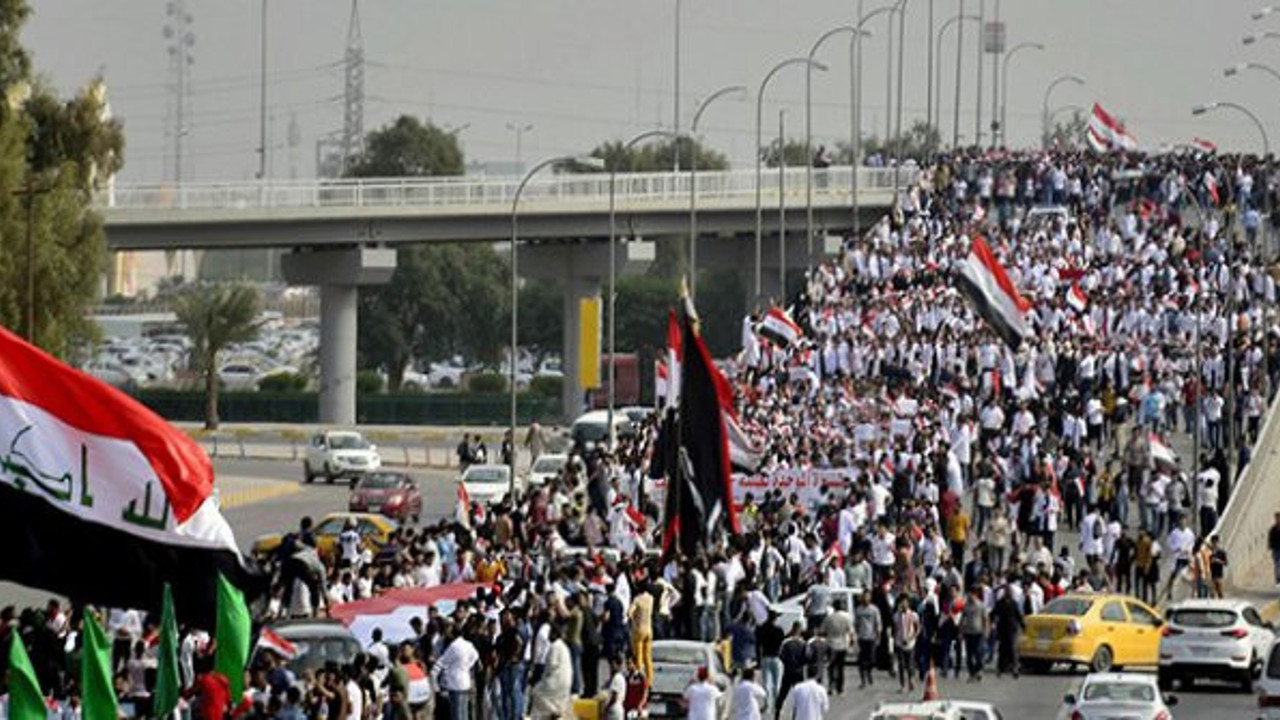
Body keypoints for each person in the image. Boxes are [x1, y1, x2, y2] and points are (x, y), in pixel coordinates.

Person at [432, 627, 479, 720]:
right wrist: (467, 666)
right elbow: (475, 656)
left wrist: (434, 673)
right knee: (464, 711)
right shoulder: (468, 644)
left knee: (456, 713)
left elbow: (442, 661)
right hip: (465, 681)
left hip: (455, 683)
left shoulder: (453, 646)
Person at [820, 599, 853, 695]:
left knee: (831, 667)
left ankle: (831, 685)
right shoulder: (846, 617)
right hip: (842, 644)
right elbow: (850, 631)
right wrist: (851, 642)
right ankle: (840, 687)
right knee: (841, 667)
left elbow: (822, 631)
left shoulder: (829, 618)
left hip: (831, 644)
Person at [991, 584, 1024, 678]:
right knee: (1002, 650)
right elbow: (993, 613)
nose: (1007, 593)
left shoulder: (1014, 603)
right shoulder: (1000, 603)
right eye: (1006, 591)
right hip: (1002, 628)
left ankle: (1015, 668)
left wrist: (1023, 625)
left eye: (1008, 591)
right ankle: (1000, 668)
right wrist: (992, 621)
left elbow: (1018, 615)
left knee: (1012, 649)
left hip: (1012, 628)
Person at [959, 587, 988, 681]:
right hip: (968, 633)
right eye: (968, 594)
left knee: (979, 653)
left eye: (971, 594)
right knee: (969, 655)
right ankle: (972, 673)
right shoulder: (966, 605)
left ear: (975, 594)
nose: (969, 596)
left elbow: (985, 619)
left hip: (979, 632)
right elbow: (963, 619)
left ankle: (979, 669)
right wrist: (960, 631)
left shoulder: (981, 605)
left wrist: (986, 631)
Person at [892, 595, 920, 693]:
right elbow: (895, 629)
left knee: (910, 664)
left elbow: (917, 628)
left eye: (905, 602)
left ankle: (911, 679)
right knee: (901, 665)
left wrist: (911, 637)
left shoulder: (913, 615)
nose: (903, 605)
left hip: (910, 643)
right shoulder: (896, 615)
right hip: (899, 642)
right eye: (901, 602)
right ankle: (902, 685)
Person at [853, 592, 881, 688]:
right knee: (861, 660)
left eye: (867, 597)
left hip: (871, 637)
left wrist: (878, 636)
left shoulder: (874, 610)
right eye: (864, 597)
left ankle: (869, 672)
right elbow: (856, 624)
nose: (865, 599)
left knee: (871, 659)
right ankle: (863, 680)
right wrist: (855, 637)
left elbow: (878, 623)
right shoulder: (858, 610)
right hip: (861, 637)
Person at [604, 656, 626, 720]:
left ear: (618, 665)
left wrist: (606, 708)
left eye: (613, 664)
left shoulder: (617, 678)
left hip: (614, 711)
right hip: (618, 709)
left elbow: (614, 697)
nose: (611, 667)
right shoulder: (621, 677)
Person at [1269, 512, 1280, 585]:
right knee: (1276, 564)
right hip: (1275, 549)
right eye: (1276, 518)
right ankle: (1277, 579)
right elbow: (1270, 539)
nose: (1277, 520)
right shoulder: (1273, 529)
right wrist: (1271, 547)